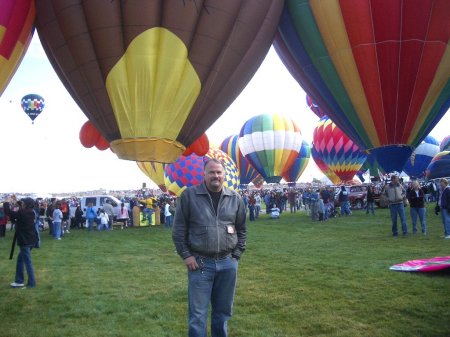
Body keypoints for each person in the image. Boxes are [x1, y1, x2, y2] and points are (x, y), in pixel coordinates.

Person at [172, 158, 247, 337]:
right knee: (198, 315)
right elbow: (178, 230)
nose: (216, 175)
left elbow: (242, 229)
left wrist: (236, 255)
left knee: (222, 313)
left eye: (219, 172)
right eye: (211, 172)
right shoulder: (189, 196)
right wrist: (186, 256)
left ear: (224, 175)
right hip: (200, 264)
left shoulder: (235, 198)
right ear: (204, 174)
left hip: (228, 263)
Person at [4, 197, 39, 288]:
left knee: (27, 262)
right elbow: (20, 211)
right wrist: (16, 201)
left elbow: (8, 212)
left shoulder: (23, 212)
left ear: (26, 205)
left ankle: (31, 283)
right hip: (31, 240)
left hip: (25, 241)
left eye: (23, 203)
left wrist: (7, 202)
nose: (22, 204)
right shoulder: (31, 212)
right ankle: (19, 281)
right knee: (21, 260)